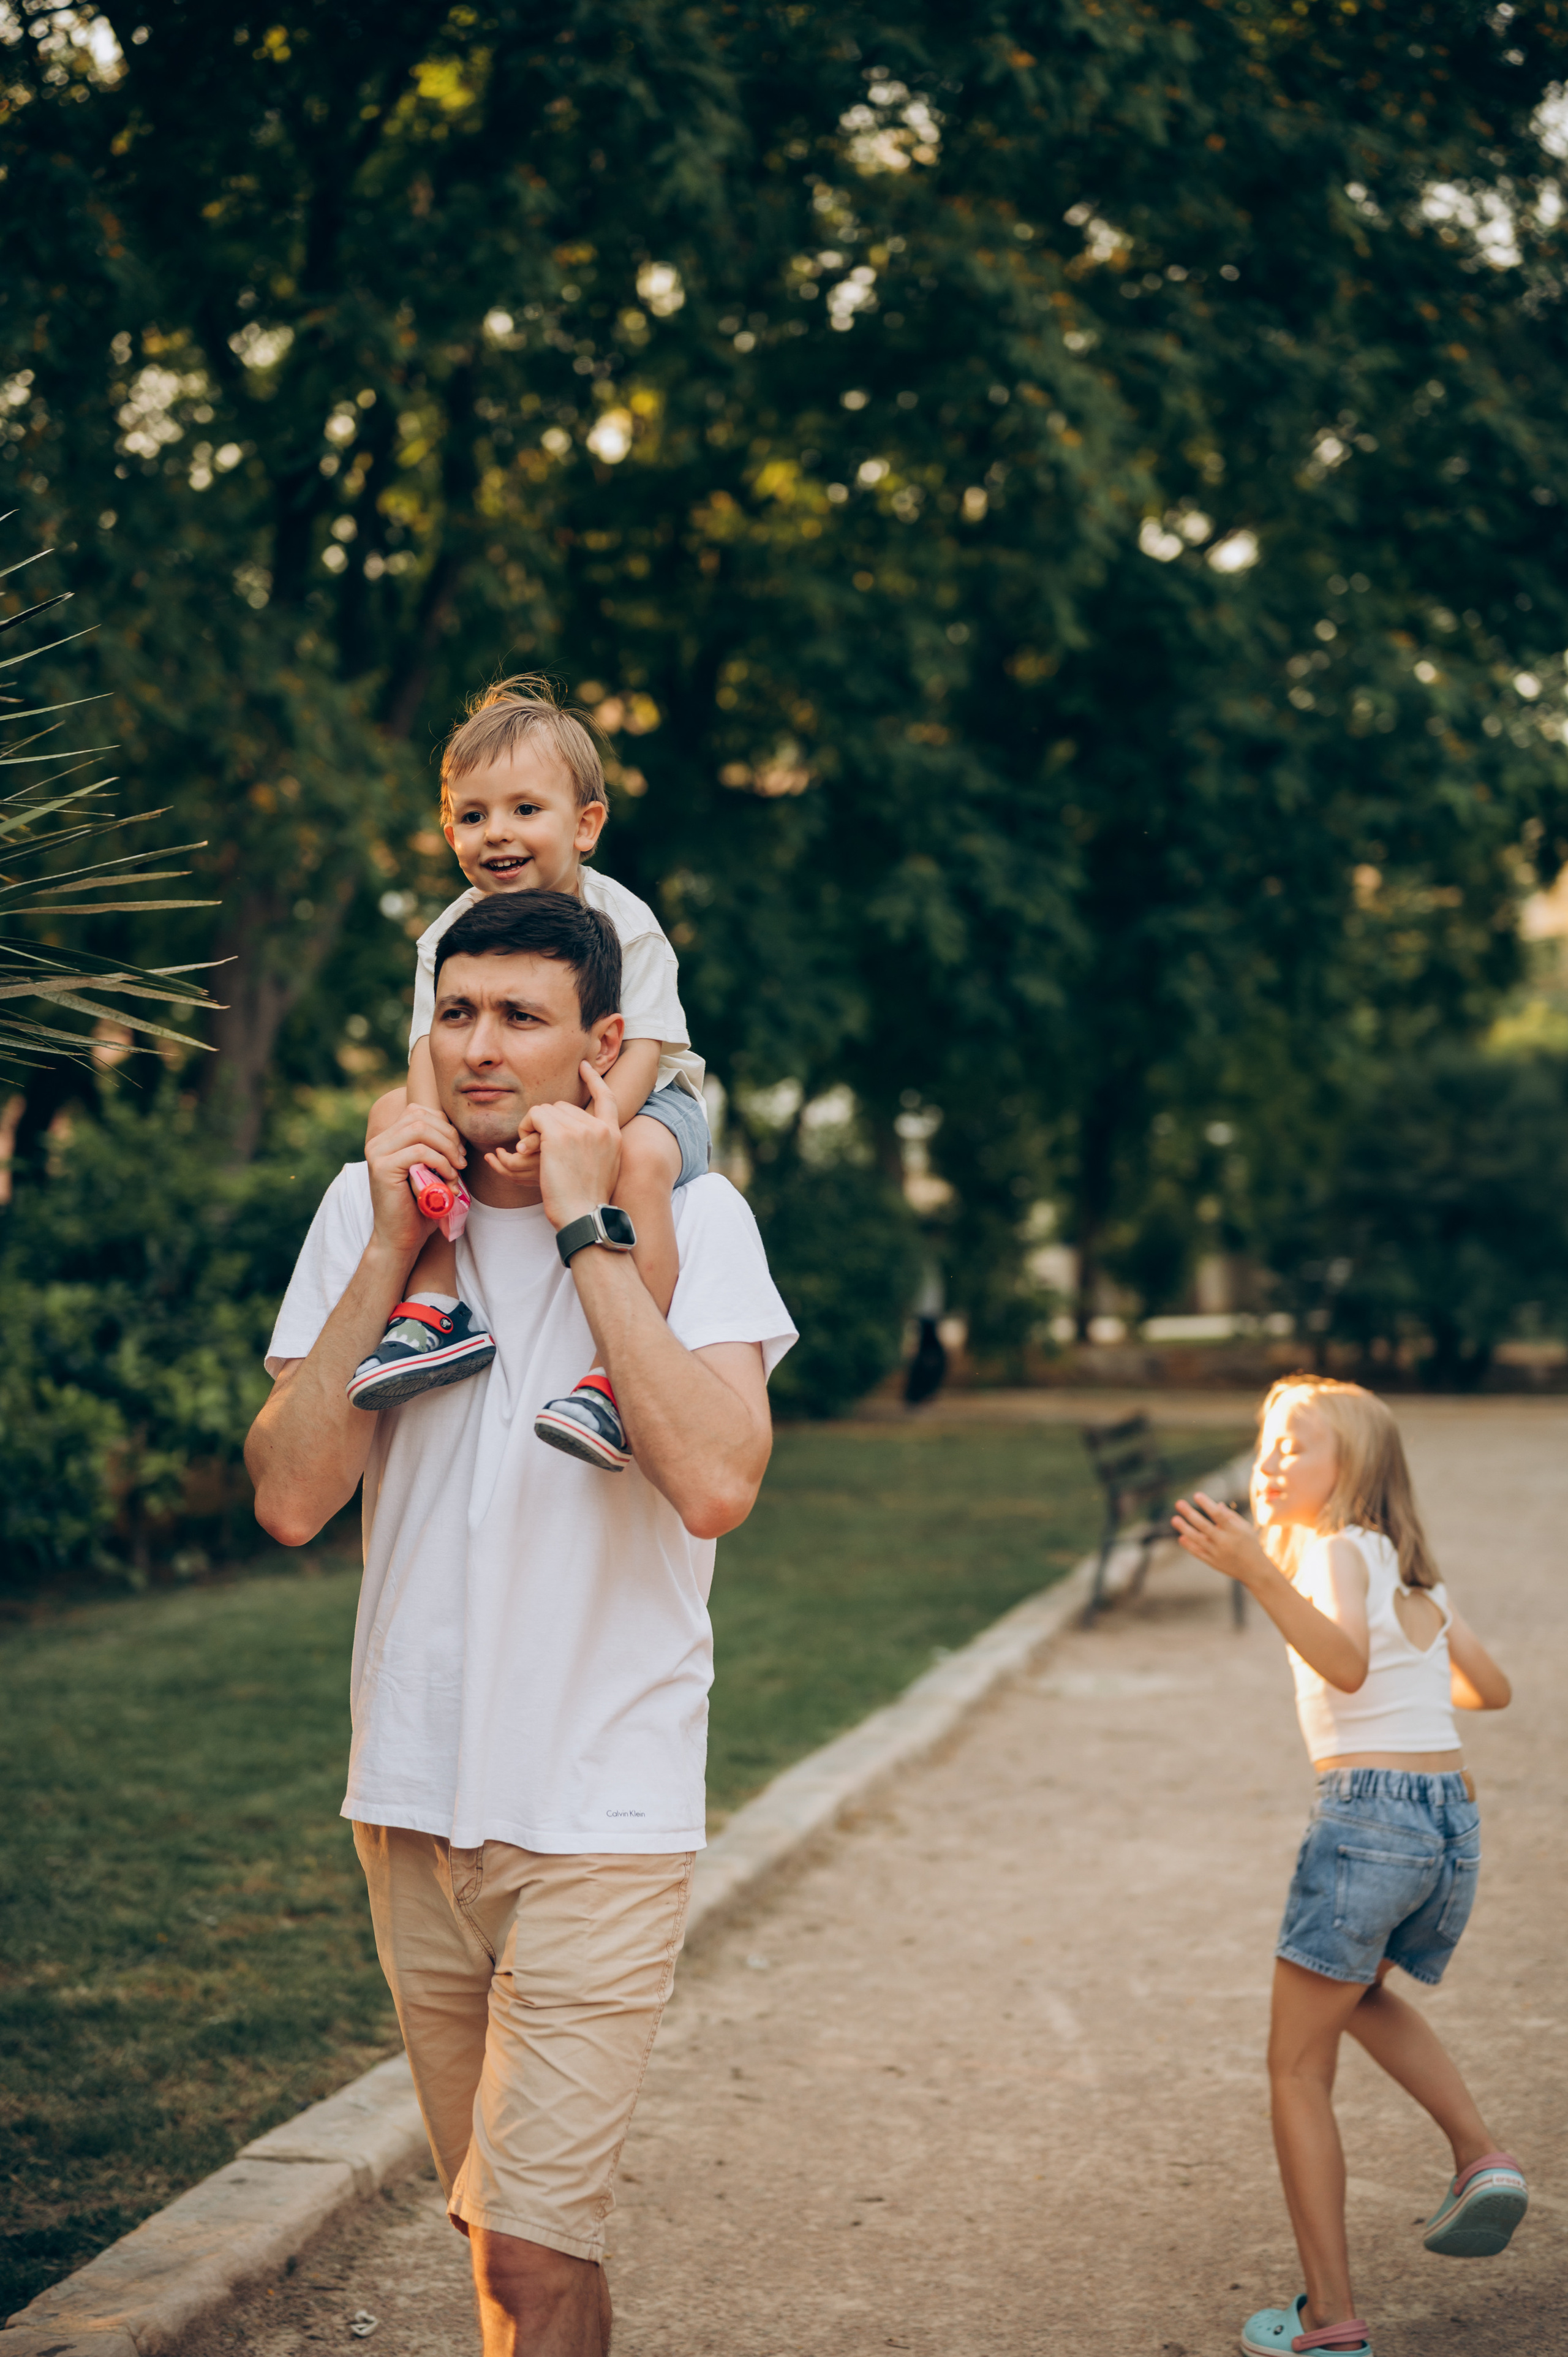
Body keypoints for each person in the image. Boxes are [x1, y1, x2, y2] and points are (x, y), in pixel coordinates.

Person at [244, 889, 796, 2357]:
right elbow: (291, 1496)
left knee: (533, 2255)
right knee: (505, 2246)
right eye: (458, 1011)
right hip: (410, 1806)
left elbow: (716, 1480)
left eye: (522, 1017)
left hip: (600, 1816)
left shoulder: (705, 1222)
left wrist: (585, 1228)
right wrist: (380, 1252)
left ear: (602, 1043)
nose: (481, 1047)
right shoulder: (365, 1219)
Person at [1172, 1375, 1525, 2357]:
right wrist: (1430, 1645)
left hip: (1369, 1818)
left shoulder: (1330, 1551)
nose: (1272, 1456)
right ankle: (1480, 2158)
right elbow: (1489, 1691)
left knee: (1294, 2067)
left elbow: (1346, 1666)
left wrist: (1260, 1573)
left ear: (1354, 1471)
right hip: (1449, 1825)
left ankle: (1329, 2322)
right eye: (1267, 1438)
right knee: (1358, 1993)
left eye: (1298, 1442)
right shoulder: (1414, 1578)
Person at [350, 675, 710, 1476]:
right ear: (449, 832)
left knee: (645, 1162)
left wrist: (584, 1136)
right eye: (473, 816)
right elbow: (425, 1054)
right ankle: (438, 1304)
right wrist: (429, 1139)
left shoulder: (628, 926)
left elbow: (644, 1052)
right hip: (518, 1102)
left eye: (524, 810)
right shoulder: (448, 934)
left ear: (584, 826)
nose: (497, 834)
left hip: (642, 1102)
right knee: (390, 1122)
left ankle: (620, 1378)